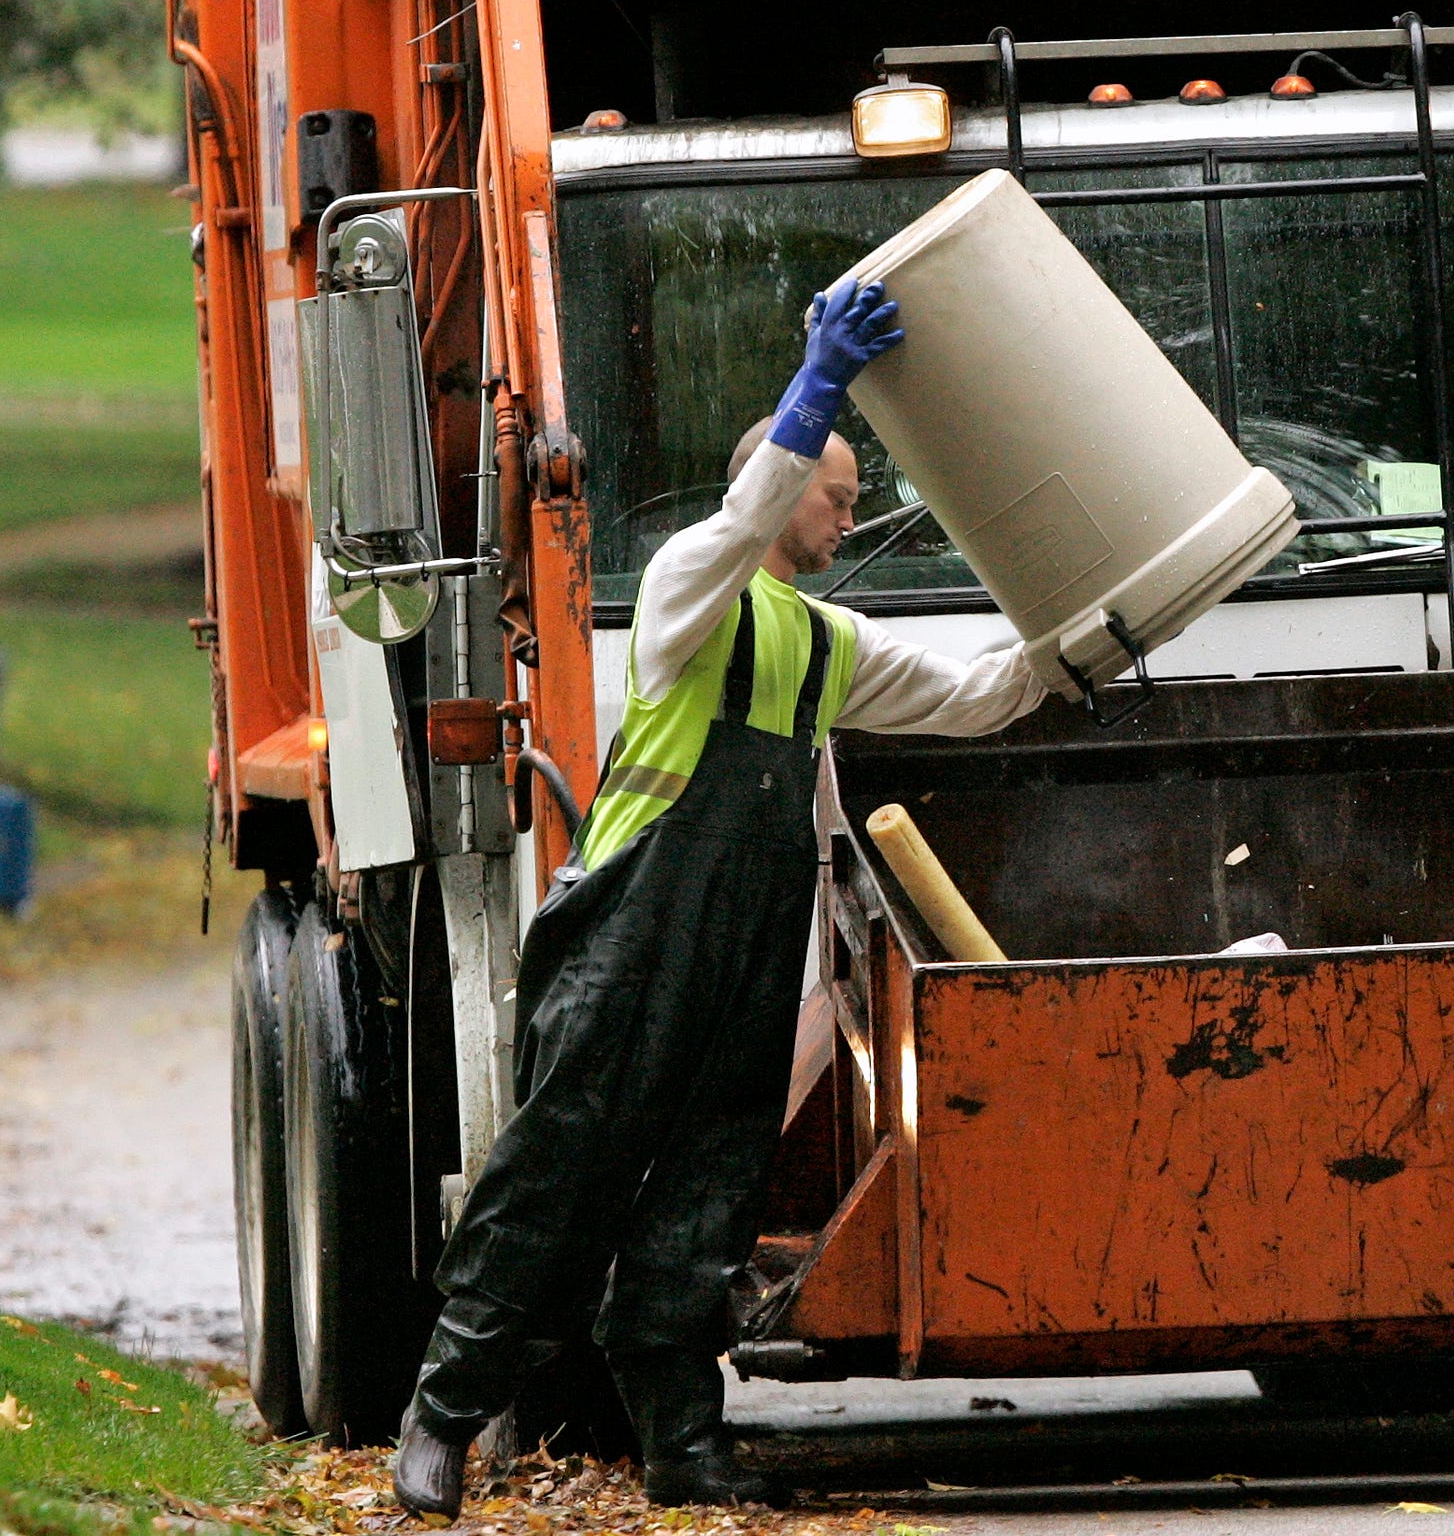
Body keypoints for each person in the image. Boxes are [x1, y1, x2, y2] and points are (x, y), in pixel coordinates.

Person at [393, 277, 1045, 1515]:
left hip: (744, 953)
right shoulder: (689, 591)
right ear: (783, 483)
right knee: (557, 1174)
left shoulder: (826, 644)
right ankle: (441, 1416)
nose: (849, 521)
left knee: (708, 1198)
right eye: (838, 497)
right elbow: (742, 517)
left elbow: (973, 697)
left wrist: (1083, 638)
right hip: (626, 941)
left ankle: (682, 1447)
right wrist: (819, 380)